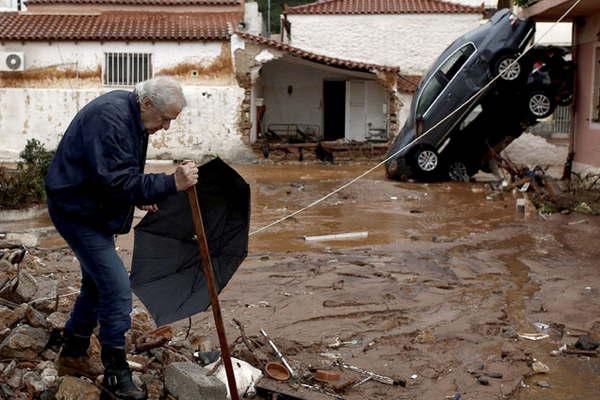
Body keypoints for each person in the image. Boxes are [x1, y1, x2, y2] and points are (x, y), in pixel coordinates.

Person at [45, 77, 198, 400]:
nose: (167, 127)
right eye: (166, 118)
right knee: (116, 287)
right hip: (77, 210)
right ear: (146, 104)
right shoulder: (111, 118)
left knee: (96, 284)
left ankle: (73, 352)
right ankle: (116, 372)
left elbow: (115, 175)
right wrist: (171, 183)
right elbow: (118, 181)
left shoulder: (130, 115)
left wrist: (138, 194)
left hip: (92, 206)